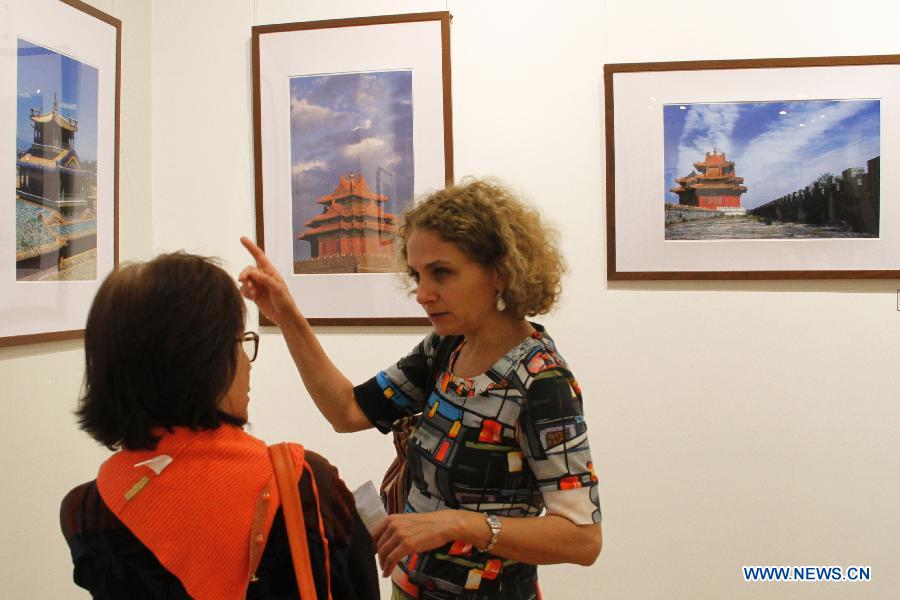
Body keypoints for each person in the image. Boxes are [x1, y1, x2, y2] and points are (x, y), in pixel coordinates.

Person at [239, 178, 602, 600]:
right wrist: (286, 314)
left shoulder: (542, 382)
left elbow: (582, 538)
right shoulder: (447, 348)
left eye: (442, 273)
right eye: (417, 274)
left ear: (501, 272)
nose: (423, 294)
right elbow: (347, 410)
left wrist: (457, 523)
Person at [59, 252, 379, 600]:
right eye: (240, 342)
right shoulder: (307, 485)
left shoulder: (84, 510)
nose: (248, 363)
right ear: (203, 360)